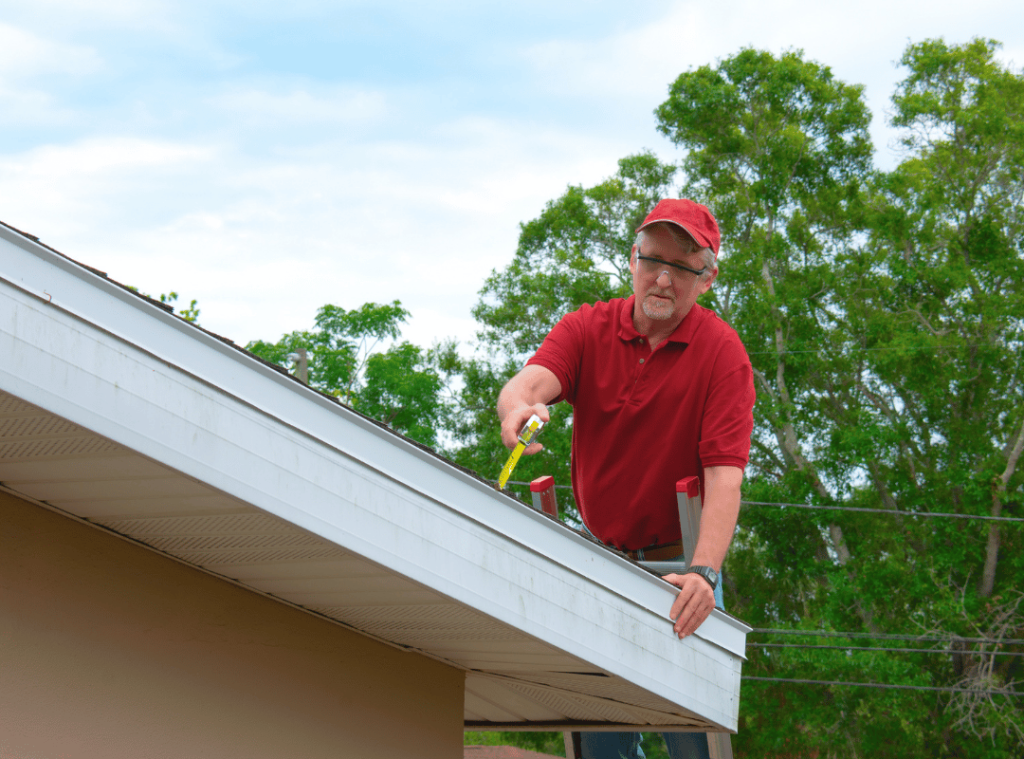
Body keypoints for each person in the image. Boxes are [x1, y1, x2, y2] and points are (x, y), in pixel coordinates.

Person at [496, 198, 755, 759]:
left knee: (693, 743)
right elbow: (531, 383)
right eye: (652, 260)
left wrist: (705, 576)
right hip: (601, 563)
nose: (663, 278)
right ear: (632, 260)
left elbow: (725, 478)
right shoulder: (588, 328)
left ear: (706, 279)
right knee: (598, 745)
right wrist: (517, 407)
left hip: (679, 576)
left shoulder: (721, 355)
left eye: (683, 266)